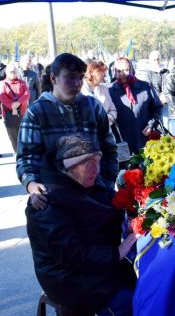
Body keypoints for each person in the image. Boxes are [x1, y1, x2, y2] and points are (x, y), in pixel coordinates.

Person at [26, 133, 138, 316]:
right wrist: (116, 253)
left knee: (146, 285)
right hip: (67, 276)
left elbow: (114, 206)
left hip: (97, 262)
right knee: (129, 305)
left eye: (98, 161)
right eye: (89, 163)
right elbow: (71, 254)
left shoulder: (92, 182)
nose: (96, 169)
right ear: (69, 167)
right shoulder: (46, 201)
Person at [16, 53, 118, 210]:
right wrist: (32, 185)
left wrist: (107, 182)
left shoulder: (93, 106)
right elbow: (26, 158)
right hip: (55, 203)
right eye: (70, 77)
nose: (77, 83)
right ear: (53, 78)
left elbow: (109, 148)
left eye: (80, 77)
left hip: (96, 197)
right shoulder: (36, 112)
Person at [109, 57, 162, 155]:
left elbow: (157, 108)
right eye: (118, 71)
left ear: (132, 69)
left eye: (126, 70)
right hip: (121, 141)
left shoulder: (145, 87)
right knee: (125, 169)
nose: (122, 74)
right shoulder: (109, 90)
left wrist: (151, 124)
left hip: (143, 138)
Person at [0, 63, 30, 153]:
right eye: (11, 72)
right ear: (7, 73)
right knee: (13, 134)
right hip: (9, 113)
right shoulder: (2, 83)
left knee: (23, 133)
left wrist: (18, 103)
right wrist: (12, 105)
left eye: (15, 72)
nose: (13, 74)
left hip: (22, 111)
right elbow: (2, 97)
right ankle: (17, 152)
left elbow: (27, 94)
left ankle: (23, 151)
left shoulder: (22, 82)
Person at [81, 60, 117, 126]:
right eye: (101, 72)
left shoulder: (104, 89)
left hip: (104, 131)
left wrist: (107, 120)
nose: (105, 74)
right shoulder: (79, 89)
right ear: (91, 72)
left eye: (104, 72)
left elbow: (113, 110)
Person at [147, 50, 169, 128]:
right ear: (150, 61)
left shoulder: (166, 71)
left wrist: (165, 96)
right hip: (154, 103)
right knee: (156, 126)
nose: (156, 61)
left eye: (158, 59)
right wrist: (158, 98)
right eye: (154, 59)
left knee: (166, 125)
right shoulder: (148, 72)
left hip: (165, 102)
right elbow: (149, 87)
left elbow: (168, 85)